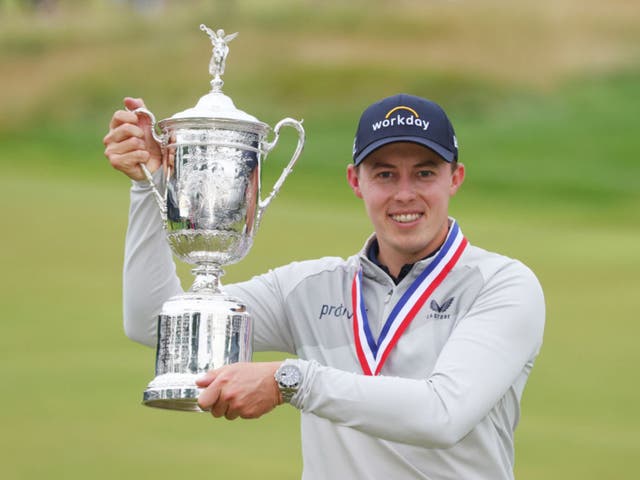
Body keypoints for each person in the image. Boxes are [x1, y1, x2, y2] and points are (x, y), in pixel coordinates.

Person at [103, 93, 545, 479]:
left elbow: (443, 415)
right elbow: (153, 323)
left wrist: (289, 380)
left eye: (425, 173)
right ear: (356, 181)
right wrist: (149, 188)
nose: (405, 193)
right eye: (385, 174)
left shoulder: (502, 285)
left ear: (456, 178)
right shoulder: (310, 289)